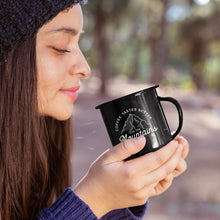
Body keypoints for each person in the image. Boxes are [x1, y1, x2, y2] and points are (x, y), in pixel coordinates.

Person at [0, 0, 189, 219]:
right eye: (61, 47)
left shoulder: (29, 154)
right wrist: (96, 198)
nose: (85, 68)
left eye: (80, 43)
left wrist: (118, 199)